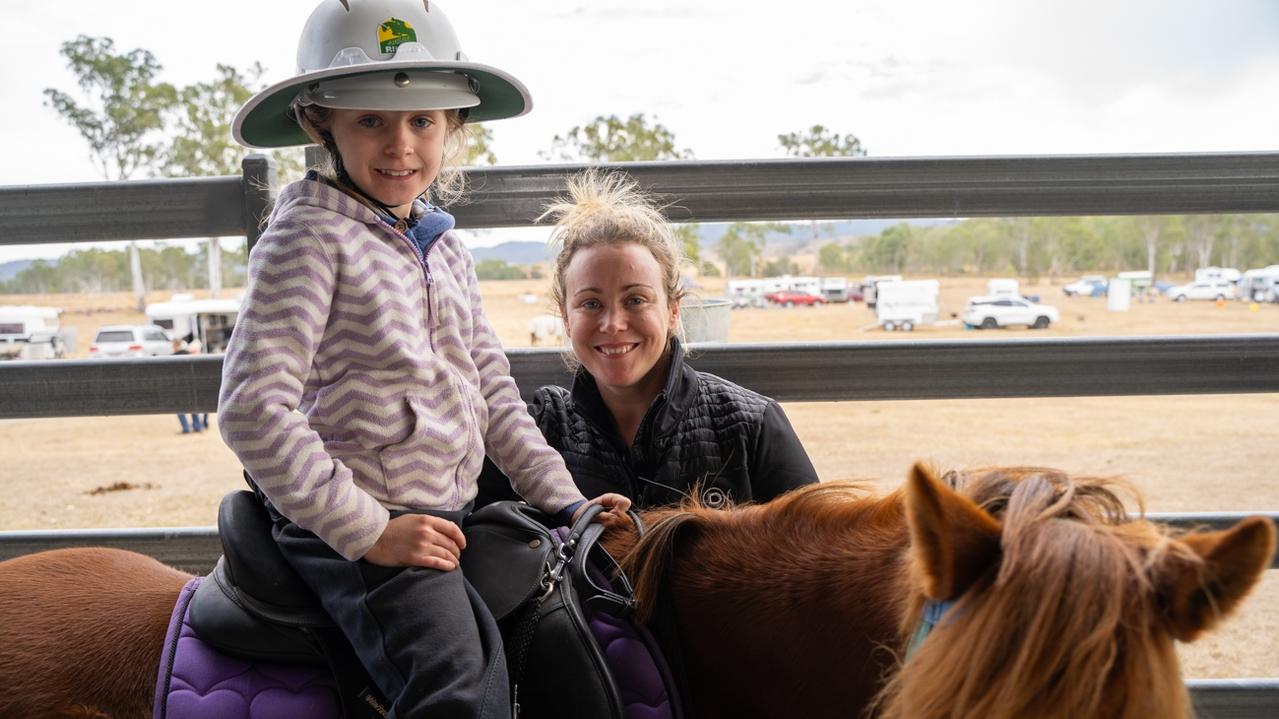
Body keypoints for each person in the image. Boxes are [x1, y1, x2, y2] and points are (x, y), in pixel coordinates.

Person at [217, 2, 629, 717]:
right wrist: (369, 529)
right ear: (322, 124)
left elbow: (494, 395)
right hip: (352, 519)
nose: (399, 144)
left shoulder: (443, 247)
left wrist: (566, 499)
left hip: (448, 509)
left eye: (422, 122)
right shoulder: (308, 239)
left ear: (452, 127)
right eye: (369, 120)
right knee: (459, 689)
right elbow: (254, 410)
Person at [478, 171, 820, 511]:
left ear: (673, 309)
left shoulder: (751, 426)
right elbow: (469, 531)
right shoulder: (536, 431)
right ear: (566, 318)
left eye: (636, 300)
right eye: (591, 304)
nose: (613, 324)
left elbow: (818, 547)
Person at [171, 338, 204, 434]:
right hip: (190, 385)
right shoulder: (188, 354)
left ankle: (186, 428)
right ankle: (197, 426)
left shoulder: (172, 357)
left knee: (180, 408)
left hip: (179, 386)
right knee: (192, 406)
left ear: (175, 345)